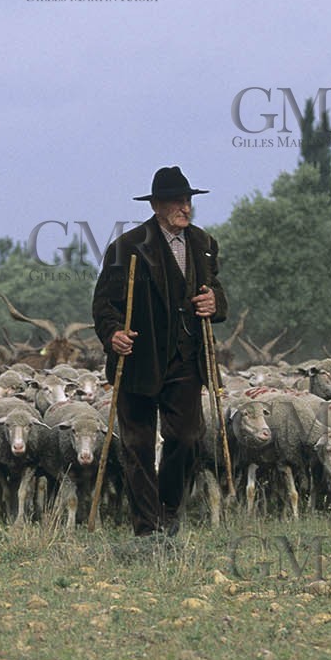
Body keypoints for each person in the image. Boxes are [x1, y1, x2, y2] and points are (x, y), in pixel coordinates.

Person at [92, 166, 228, 539]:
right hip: (138, 358)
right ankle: (147, 529)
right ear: (156, 206)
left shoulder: (203, 243)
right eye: (177, 201)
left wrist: (214, 302)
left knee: (187, 438)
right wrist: (113, 334)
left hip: (186, 360)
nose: (185, 207)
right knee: (136, 445)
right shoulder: (127, 247)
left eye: (188, 200)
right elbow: (104, 304)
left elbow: (215, 293)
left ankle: (168, 511)